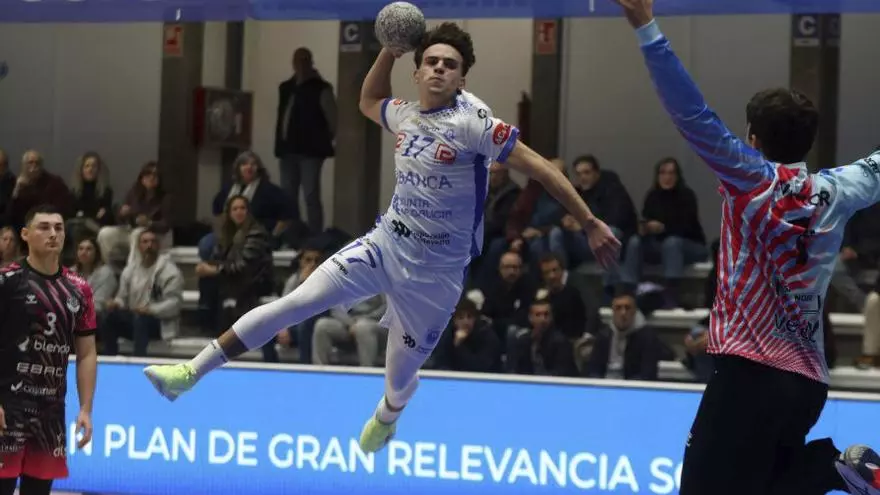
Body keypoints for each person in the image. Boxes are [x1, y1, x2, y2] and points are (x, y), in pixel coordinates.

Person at [143, 21, 620, 454]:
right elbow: (368, 100)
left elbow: (540, 169)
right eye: (431, 61)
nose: (439, 68)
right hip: (384, 247)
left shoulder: (476, 125)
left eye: (450, 64)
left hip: (436, 277)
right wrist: (388, 51)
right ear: (418, 72)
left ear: (462, 79)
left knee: (400, 376)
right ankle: (191, 372)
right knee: (295, 302)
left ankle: (387, 416)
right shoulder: (405, 114)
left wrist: (589, 220)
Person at [611, 0, 880, 494]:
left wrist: (645, 25)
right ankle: (832, 469)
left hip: (748, 375)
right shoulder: (840, 189)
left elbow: (690, 112)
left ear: (753, 139)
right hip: (808, 384)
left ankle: (828, 468)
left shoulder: (749, 178)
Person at [0, 204, 97, 495]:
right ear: (25, 234)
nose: (53, 233)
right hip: (7, 409)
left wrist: (86, 409)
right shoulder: (6, 281)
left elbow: (87, 353)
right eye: (44, 227)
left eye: (58, 227)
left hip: (50, 413)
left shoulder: (79, 289)